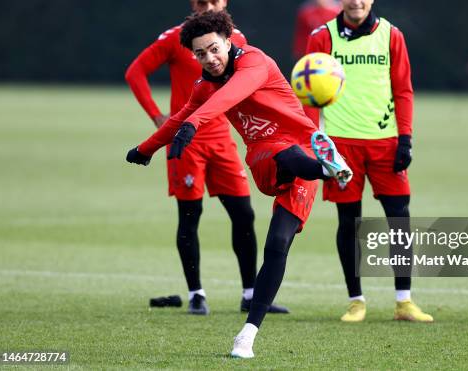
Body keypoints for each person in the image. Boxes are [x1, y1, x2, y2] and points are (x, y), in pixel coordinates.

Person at [126, 11, 353, 358]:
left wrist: (195, 122)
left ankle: (246, 335)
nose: (210, 58)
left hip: (302, 151)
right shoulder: (204, 86)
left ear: (229, 41)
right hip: (265, 156)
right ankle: (329, 168)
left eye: (214, 49)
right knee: (281, 153)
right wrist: (146, 149)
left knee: (278, 243)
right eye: (200, 54)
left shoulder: (255, 62)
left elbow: (231, 95)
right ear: (193, 55)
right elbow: (180, 118)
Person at [124, 0, 287, 315]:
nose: (208, 5)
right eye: (201, 2)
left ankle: (250, 294)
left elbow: (240, 90)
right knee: (189, 216)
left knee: (243, 215)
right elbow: (136, 73)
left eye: (214, 1)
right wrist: (156, 119)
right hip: (187, 144)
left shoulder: (238, 42)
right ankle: (197, 294)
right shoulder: (176, 38)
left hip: (222, 140)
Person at [304, 0, 433, 323]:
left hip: (385, 144)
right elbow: (307, 92)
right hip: (341, 146)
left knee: (399, 219)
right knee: (349, 221)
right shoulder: (322, 37)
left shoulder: (392, 36)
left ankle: (404, 302)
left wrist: (405, 137)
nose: (356, 2)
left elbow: (403, 89)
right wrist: (314, 142)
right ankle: (356, 301)